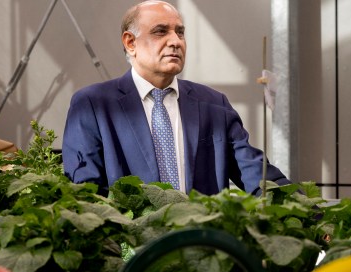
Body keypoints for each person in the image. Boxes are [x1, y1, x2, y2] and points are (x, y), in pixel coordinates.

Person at [62, 0, 290, 196]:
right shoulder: (93, 105)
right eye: (160, 31)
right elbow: (86, 192)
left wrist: (315, 218)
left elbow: (257, 175)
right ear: (130, 43)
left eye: (179, 32)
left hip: (200, 242)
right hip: (130, 245)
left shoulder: (213, 104)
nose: (176, 41)